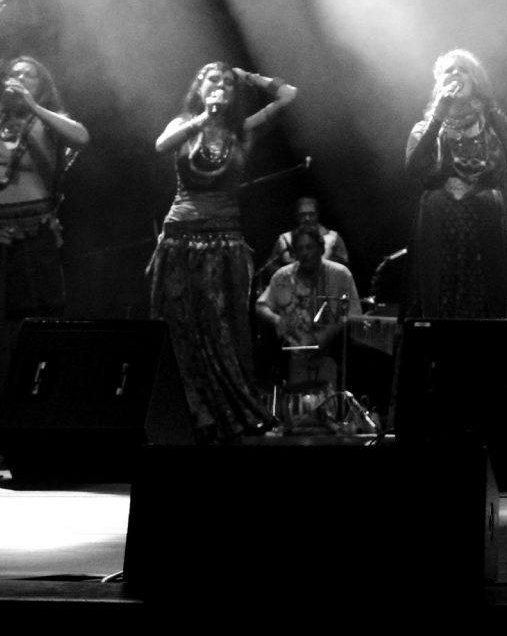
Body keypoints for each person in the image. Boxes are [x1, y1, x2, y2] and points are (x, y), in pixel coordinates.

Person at [0, 0, 89, 448]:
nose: (18, 79)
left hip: (32, 234)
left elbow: (82, 136)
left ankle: (28, 416)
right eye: (15, 74)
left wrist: (34, 106)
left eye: (29, 76)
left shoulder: (48, 124)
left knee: (25, 326)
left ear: (42, 88)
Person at [148, 60, 297, 442]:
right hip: (179, 238)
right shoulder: (183, 124)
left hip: (224, 241)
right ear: (199, 89)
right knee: (181, 329)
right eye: (213, 80)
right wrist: (203, 119)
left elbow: (288, 95)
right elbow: (161, 146)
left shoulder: (242, 130)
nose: (221, 86)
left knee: (223, 331)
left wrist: (248, 77)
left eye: (228, 83)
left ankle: (233, 413)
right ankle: (189, 416)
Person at [404, 49, 507, 319]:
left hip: (487, 230)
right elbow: (414, 169)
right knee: (437, 310)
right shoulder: (425, 128)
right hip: (438, 232)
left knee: (487, 309)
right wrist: (437, 118)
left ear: (475, 81)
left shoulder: (496, 125)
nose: (455, 74)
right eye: (448, 71)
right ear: (439, 84)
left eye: (462, 69)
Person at [254, 223, 362, 430]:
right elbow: (261, 305)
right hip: (291, 352)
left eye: (309, 247)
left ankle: (341, 415)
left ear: (321, 249)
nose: (305, 253)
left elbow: (353, 314)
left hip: (332, 349)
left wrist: (327, 334)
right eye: (300, 249)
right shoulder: (282, 276)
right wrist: (277, 320)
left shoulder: (340, 275)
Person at [262, 196, 350, 273]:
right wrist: (285, 277)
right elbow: (270, 265)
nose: (307, 218)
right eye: (303, 215)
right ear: (297, 216)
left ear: (317, 214)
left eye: (311, 214)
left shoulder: (333, 238)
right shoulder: (284, 240)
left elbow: (343, 264)